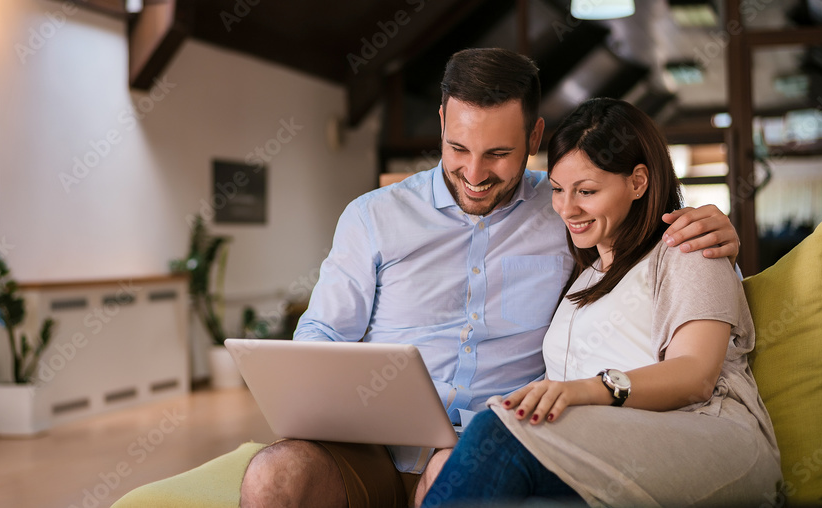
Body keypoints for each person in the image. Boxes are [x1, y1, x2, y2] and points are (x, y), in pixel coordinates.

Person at [240, 49, 741, 508]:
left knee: (452, 466)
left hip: (490, 443)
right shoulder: (373, 217)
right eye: (458, 148)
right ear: (440, 121)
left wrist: (711, 229)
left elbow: (640, 245)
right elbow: (323, 334)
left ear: (535, 137)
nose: (474, 173)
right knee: (274, 476)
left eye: (499, 154)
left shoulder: (566, 209)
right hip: (371, 448)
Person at [420, 97, 781, 507]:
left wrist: (588, 390)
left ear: (638, 182)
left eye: (587, 191)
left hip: (706, 439)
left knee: (494, 433)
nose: (567, 208)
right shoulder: (584, 277)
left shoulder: (687, 247)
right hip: (609, 452)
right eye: (557, 189)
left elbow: (695, 375)